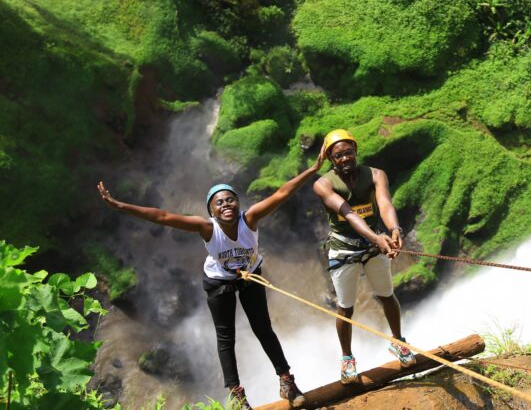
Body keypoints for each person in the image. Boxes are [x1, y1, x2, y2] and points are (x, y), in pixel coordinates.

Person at [97, 146, 324, 409]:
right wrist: (120, 206)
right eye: (219, 202)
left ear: (238, 204)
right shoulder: (206, 228)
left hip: (250, 275)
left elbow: (282, 193)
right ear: (212, 212)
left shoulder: (250, 219)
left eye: (230, 200)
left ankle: (286, 381)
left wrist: (313, 169)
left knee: (263, 328)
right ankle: (237, 394)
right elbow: (162, 216)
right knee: (226, 337)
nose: (226, 204)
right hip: (219, 280)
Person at [312, 129, 417, 385]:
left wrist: (394, 230)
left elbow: (385, 203)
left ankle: (399, 342)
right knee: (345, 307)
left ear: (356, 151)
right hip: (344, 249)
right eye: (338, 156)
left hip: (374, 245)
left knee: (387, 295)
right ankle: (347, 358)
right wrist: (376, 238)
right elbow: (348, 213)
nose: (345, 158)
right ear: (330, 159)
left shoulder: (376, 175)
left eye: (348, 152)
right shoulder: (323, 184)